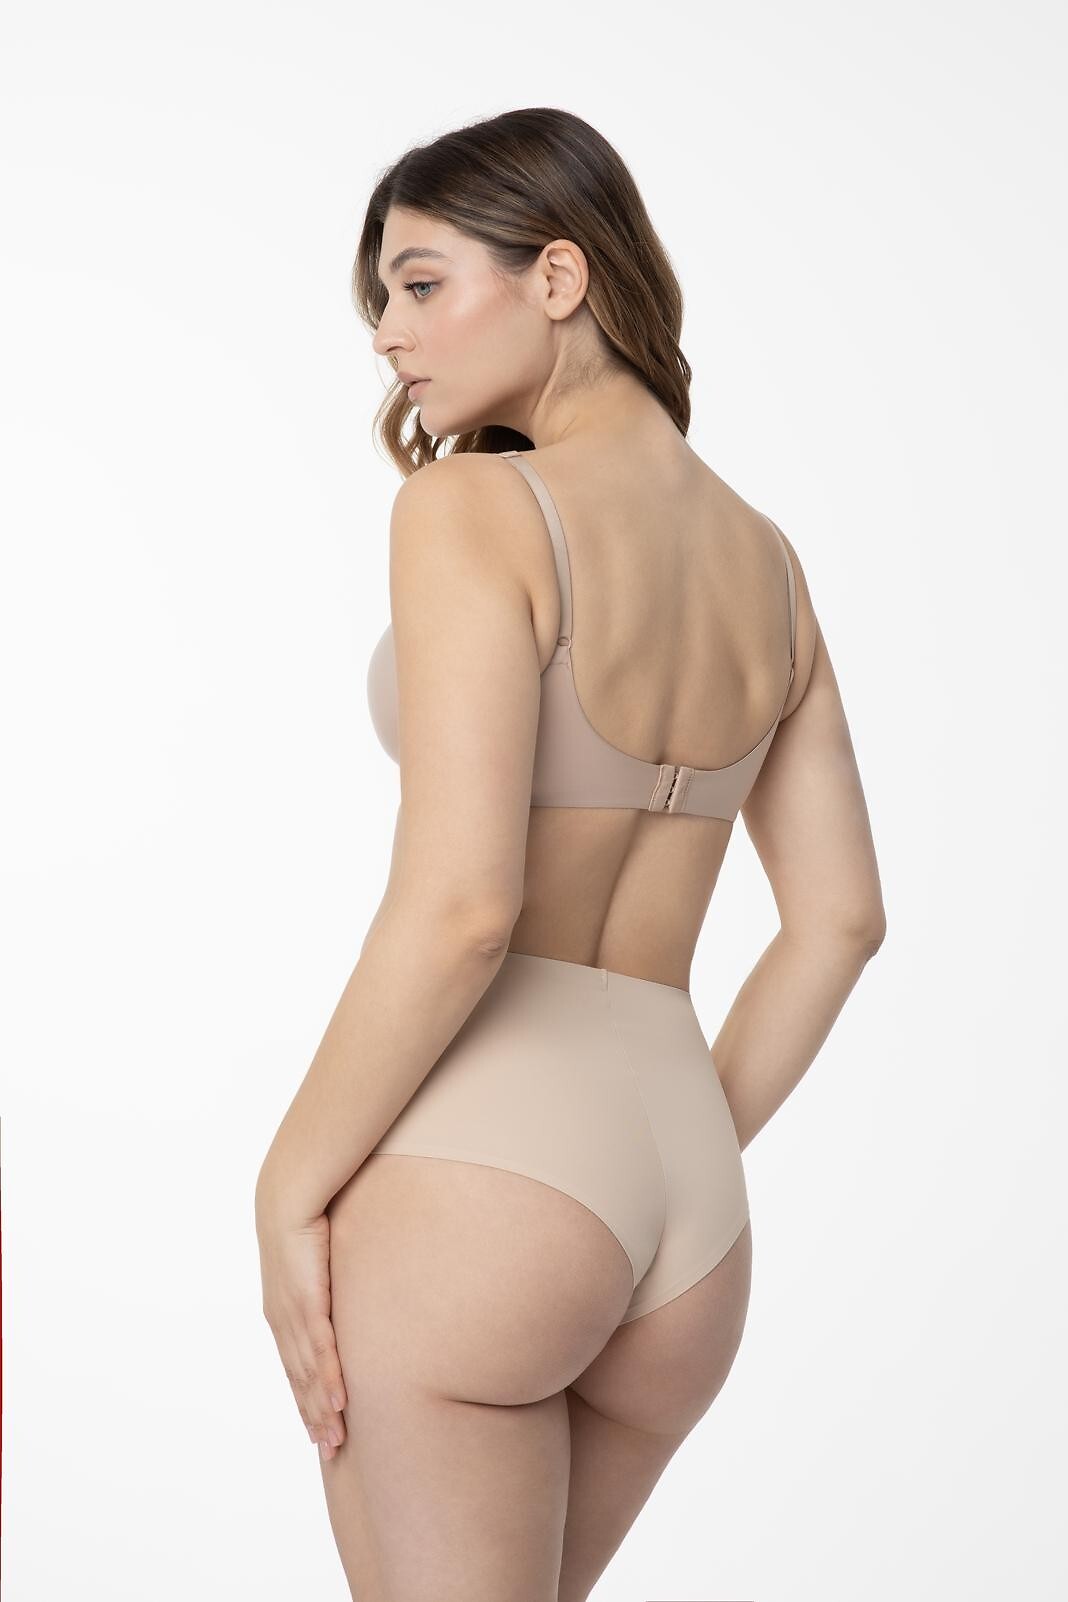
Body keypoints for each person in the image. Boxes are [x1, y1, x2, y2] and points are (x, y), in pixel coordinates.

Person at [254, 106, 887, 1602]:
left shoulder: (473, 508)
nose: (389, 337)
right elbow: (842, 921)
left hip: (483, 1175)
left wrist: (286, 1184)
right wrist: (680, 1137)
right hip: (691, 1212)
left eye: (420, 284)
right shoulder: (768, 561)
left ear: (557, 276)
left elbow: (465, 909)